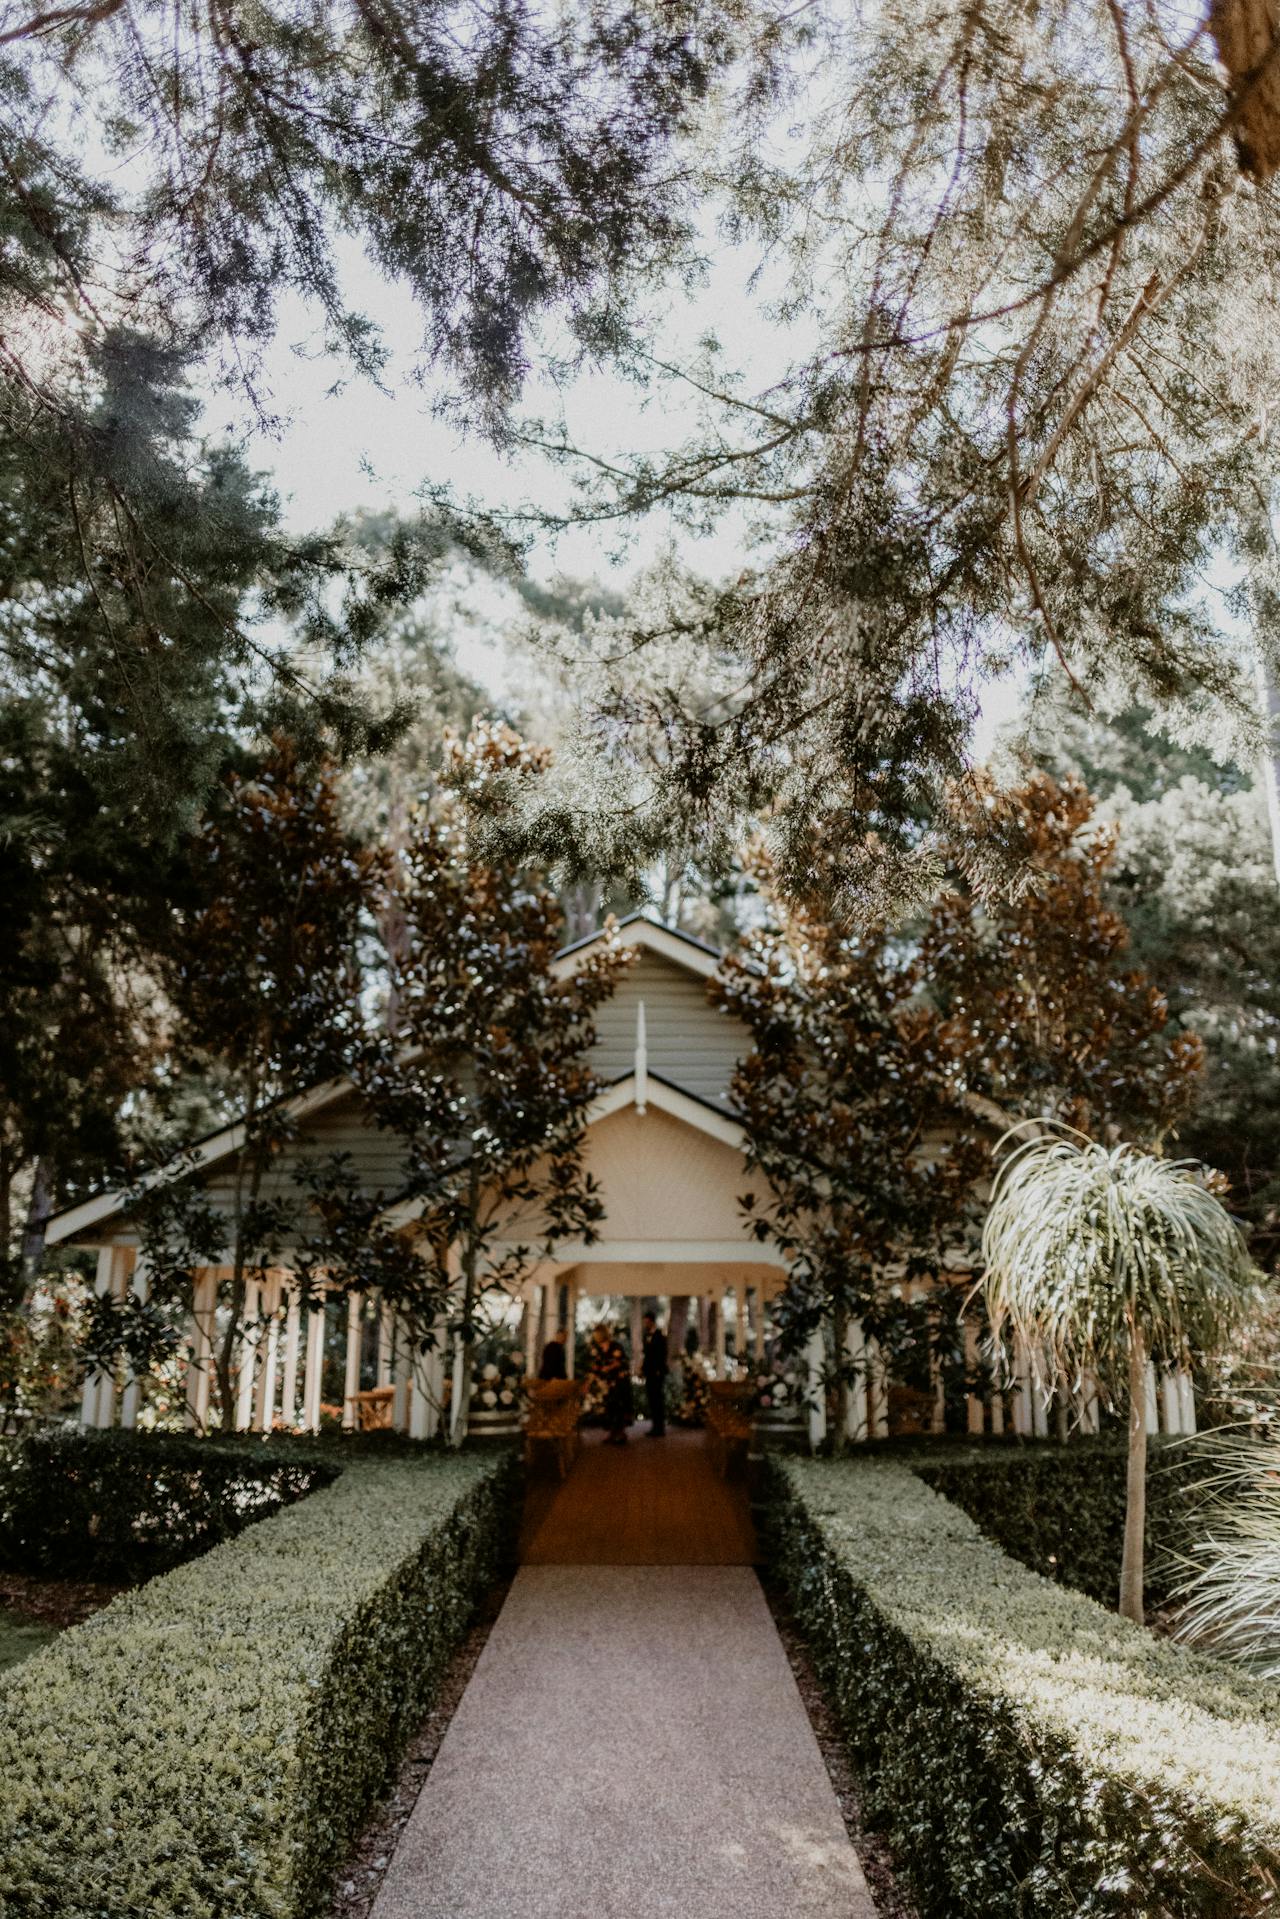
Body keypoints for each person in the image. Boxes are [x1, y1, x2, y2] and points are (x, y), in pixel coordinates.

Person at [587, 1321, 631, 1444]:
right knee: (609, 1408)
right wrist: (588, 1383)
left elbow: (620, 1361)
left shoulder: (616, 1346)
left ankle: (620, 1434)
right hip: (608, 1384)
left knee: (619, 1407)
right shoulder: (599, 1350)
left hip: (619, 1382)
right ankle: (612, 1433)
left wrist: (609, 1367)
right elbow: (595, 1367)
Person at [641, 1309, 668, 1437]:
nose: (645, 1324)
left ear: (652, 1322)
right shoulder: (646, 1336)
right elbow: (646, 1355)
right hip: (649, 1372)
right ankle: (655, 1426)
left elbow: (662, 1354)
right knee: (652, 1399)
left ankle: (660, 1427)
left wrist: (658, 1370)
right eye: (644, 1322)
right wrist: (642, 1369)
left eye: (647, 1322)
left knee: (657, 1399)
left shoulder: (659, 1336)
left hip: (657, 1373)